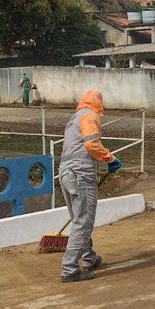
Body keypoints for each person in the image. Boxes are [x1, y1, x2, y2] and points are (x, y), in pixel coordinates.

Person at [59, 89, 122, 283]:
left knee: (79, 219)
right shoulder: (90, 115)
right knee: (83, 222)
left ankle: (89, 258)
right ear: (99, 103)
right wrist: (109, 157)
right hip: (81, 175)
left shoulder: (74, 118)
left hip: (66, 174)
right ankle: (69, 269)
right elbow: (91, 144)